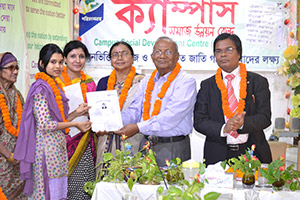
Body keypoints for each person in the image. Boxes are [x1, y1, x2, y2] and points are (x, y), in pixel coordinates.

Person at [14, 44, 92, 200]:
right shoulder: (40, 89)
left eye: (60, 62)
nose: (58, 66)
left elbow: (59, 120)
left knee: (58, 192)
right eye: (53, 62)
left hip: (57, 149)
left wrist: (76, 113)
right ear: (42, 64)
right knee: (47, 193)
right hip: (45, 151)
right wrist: (75, 124)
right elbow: (46, 124)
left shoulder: (54, 85)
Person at [114, 36, 197, 167]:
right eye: (158, 52)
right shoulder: (147, 81)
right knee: (143, 186)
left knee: (173, 187)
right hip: (146, 146)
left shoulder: (186, 81)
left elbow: (171, 116)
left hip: (173, 147)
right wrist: (113, 120)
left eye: (168, 52)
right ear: (152, 57)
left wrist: (138, 127)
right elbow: (135, 110)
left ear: (177, 56)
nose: (162, 56)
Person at [193, 33, 272, 166]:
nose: (223, 54)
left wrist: (241, 124)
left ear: (239, 53)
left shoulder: (257, 82)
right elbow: (199, 121)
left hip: (252, 152)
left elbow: (265, 117)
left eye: (228, 50)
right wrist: (224, 128)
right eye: (218, 51)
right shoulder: (207, 85)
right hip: (217, 154)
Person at [56, 40, 97, 200]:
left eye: (81, 56)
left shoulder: (90, 83)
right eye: (73, 56)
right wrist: (75, 114)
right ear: (64, 59)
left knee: (82, 188)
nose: (77, 60)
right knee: (59, 188)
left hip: (84, 142)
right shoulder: (54, 83)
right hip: (58, 144)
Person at [95, 41, 144, 170]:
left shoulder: (142, 82)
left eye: (124, 54)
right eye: (115, 54)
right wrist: (98, 126)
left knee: (131, 181)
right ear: (111, 60)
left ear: (133, 59)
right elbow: (97, 111)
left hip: (132, 138)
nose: (120, 58)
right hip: (105, 139)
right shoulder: (103, 82)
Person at [0, 52, 26, 199]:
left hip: (18, 159)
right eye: (10, 68)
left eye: (17, 67)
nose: (15, 71)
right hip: (3, 159)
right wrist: (8, 155)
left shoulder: (17, 94)